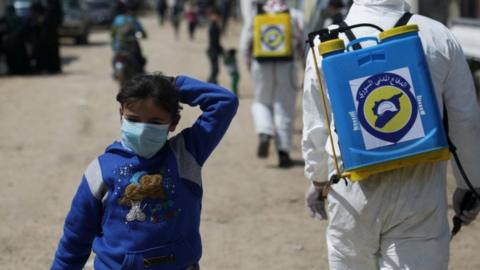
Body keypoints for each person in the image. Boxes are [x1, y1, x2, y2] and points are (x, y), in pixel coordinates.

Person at [302, 0, 480, 269]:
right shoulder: (437, 36)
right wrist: (470, 185)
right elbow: (465, 121)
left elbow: (316, 126)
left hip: (352, 191)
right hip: (420, 191)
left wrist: (317, 180)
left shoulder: (326, 44)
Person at [50, 73, 238, 269]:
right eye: (133, 119)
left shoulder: (186, 154)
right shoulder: (100, 170)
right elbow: (75, 237)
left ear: (173, 122)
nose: (142, 130)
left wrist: (172, 85)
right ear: (121, 114)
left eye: (155, 122)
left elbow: (225, 102)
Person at [240, 0, 304, 168]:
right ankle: (284, 153)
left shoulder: (256, 15)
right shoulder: (294, 16)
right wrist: (304, 65)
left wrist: (249, 66)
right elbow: (303, 45)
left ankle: (264, 131)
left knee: (261, 102)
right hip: (287, 67)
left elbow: (245, 45)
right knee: (285, 107)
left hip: (260, 66)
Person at [111, 2, 147, 73]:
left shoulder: (117, 19)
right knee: (139, 61)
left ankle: (115, 72)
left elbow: (112, 34)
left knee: (115, 58)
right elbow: (142, 32)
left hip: (118, 47)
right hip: (131, 47)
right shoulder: (132, 19)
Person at [206, 8, 223, 84]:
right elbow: (214, 42)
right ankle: (210, 84)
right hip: (213, 51)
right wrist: (221, 49)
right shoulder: (213, 27)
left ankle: (213, 83)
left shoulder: (215, 26)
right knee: (215, 70)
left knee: (215, 70)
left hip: (214, 50)